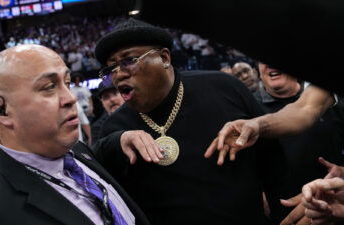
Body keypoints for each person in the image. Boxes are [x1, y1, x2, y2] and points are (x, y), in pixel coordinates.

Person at [93, 18, 289, 225]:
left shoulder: (224, 88)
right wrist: (114, 143)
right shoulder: (117, 129)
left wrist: (283, 217)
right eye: (111, 68)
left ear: (164, 57)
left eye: (129, 60)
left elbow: (274, 164)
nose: (119, 74)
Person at [0, 44, 150, 225]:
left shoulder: (77, 151)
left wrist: (119, 140)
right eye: (49, 87)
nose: (71, 98)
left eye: (68, 83)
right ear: (2, 111)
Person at [253, 62, 344, 221]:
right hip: (277, 210)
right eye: (262, 60)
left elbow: (304, 110)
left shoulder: (331, 100)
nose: (269, 64)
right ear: (258, 70)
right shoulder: (249, 108)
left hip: (330, 203)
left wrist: (342, 172)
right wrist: (255, 192)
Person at [91, 77, 125, 144]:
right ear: (102, 103)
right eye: (106, 97)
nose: (112, 99)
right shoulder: (98, 127)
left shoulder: (140, 115)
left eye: (115, 94)